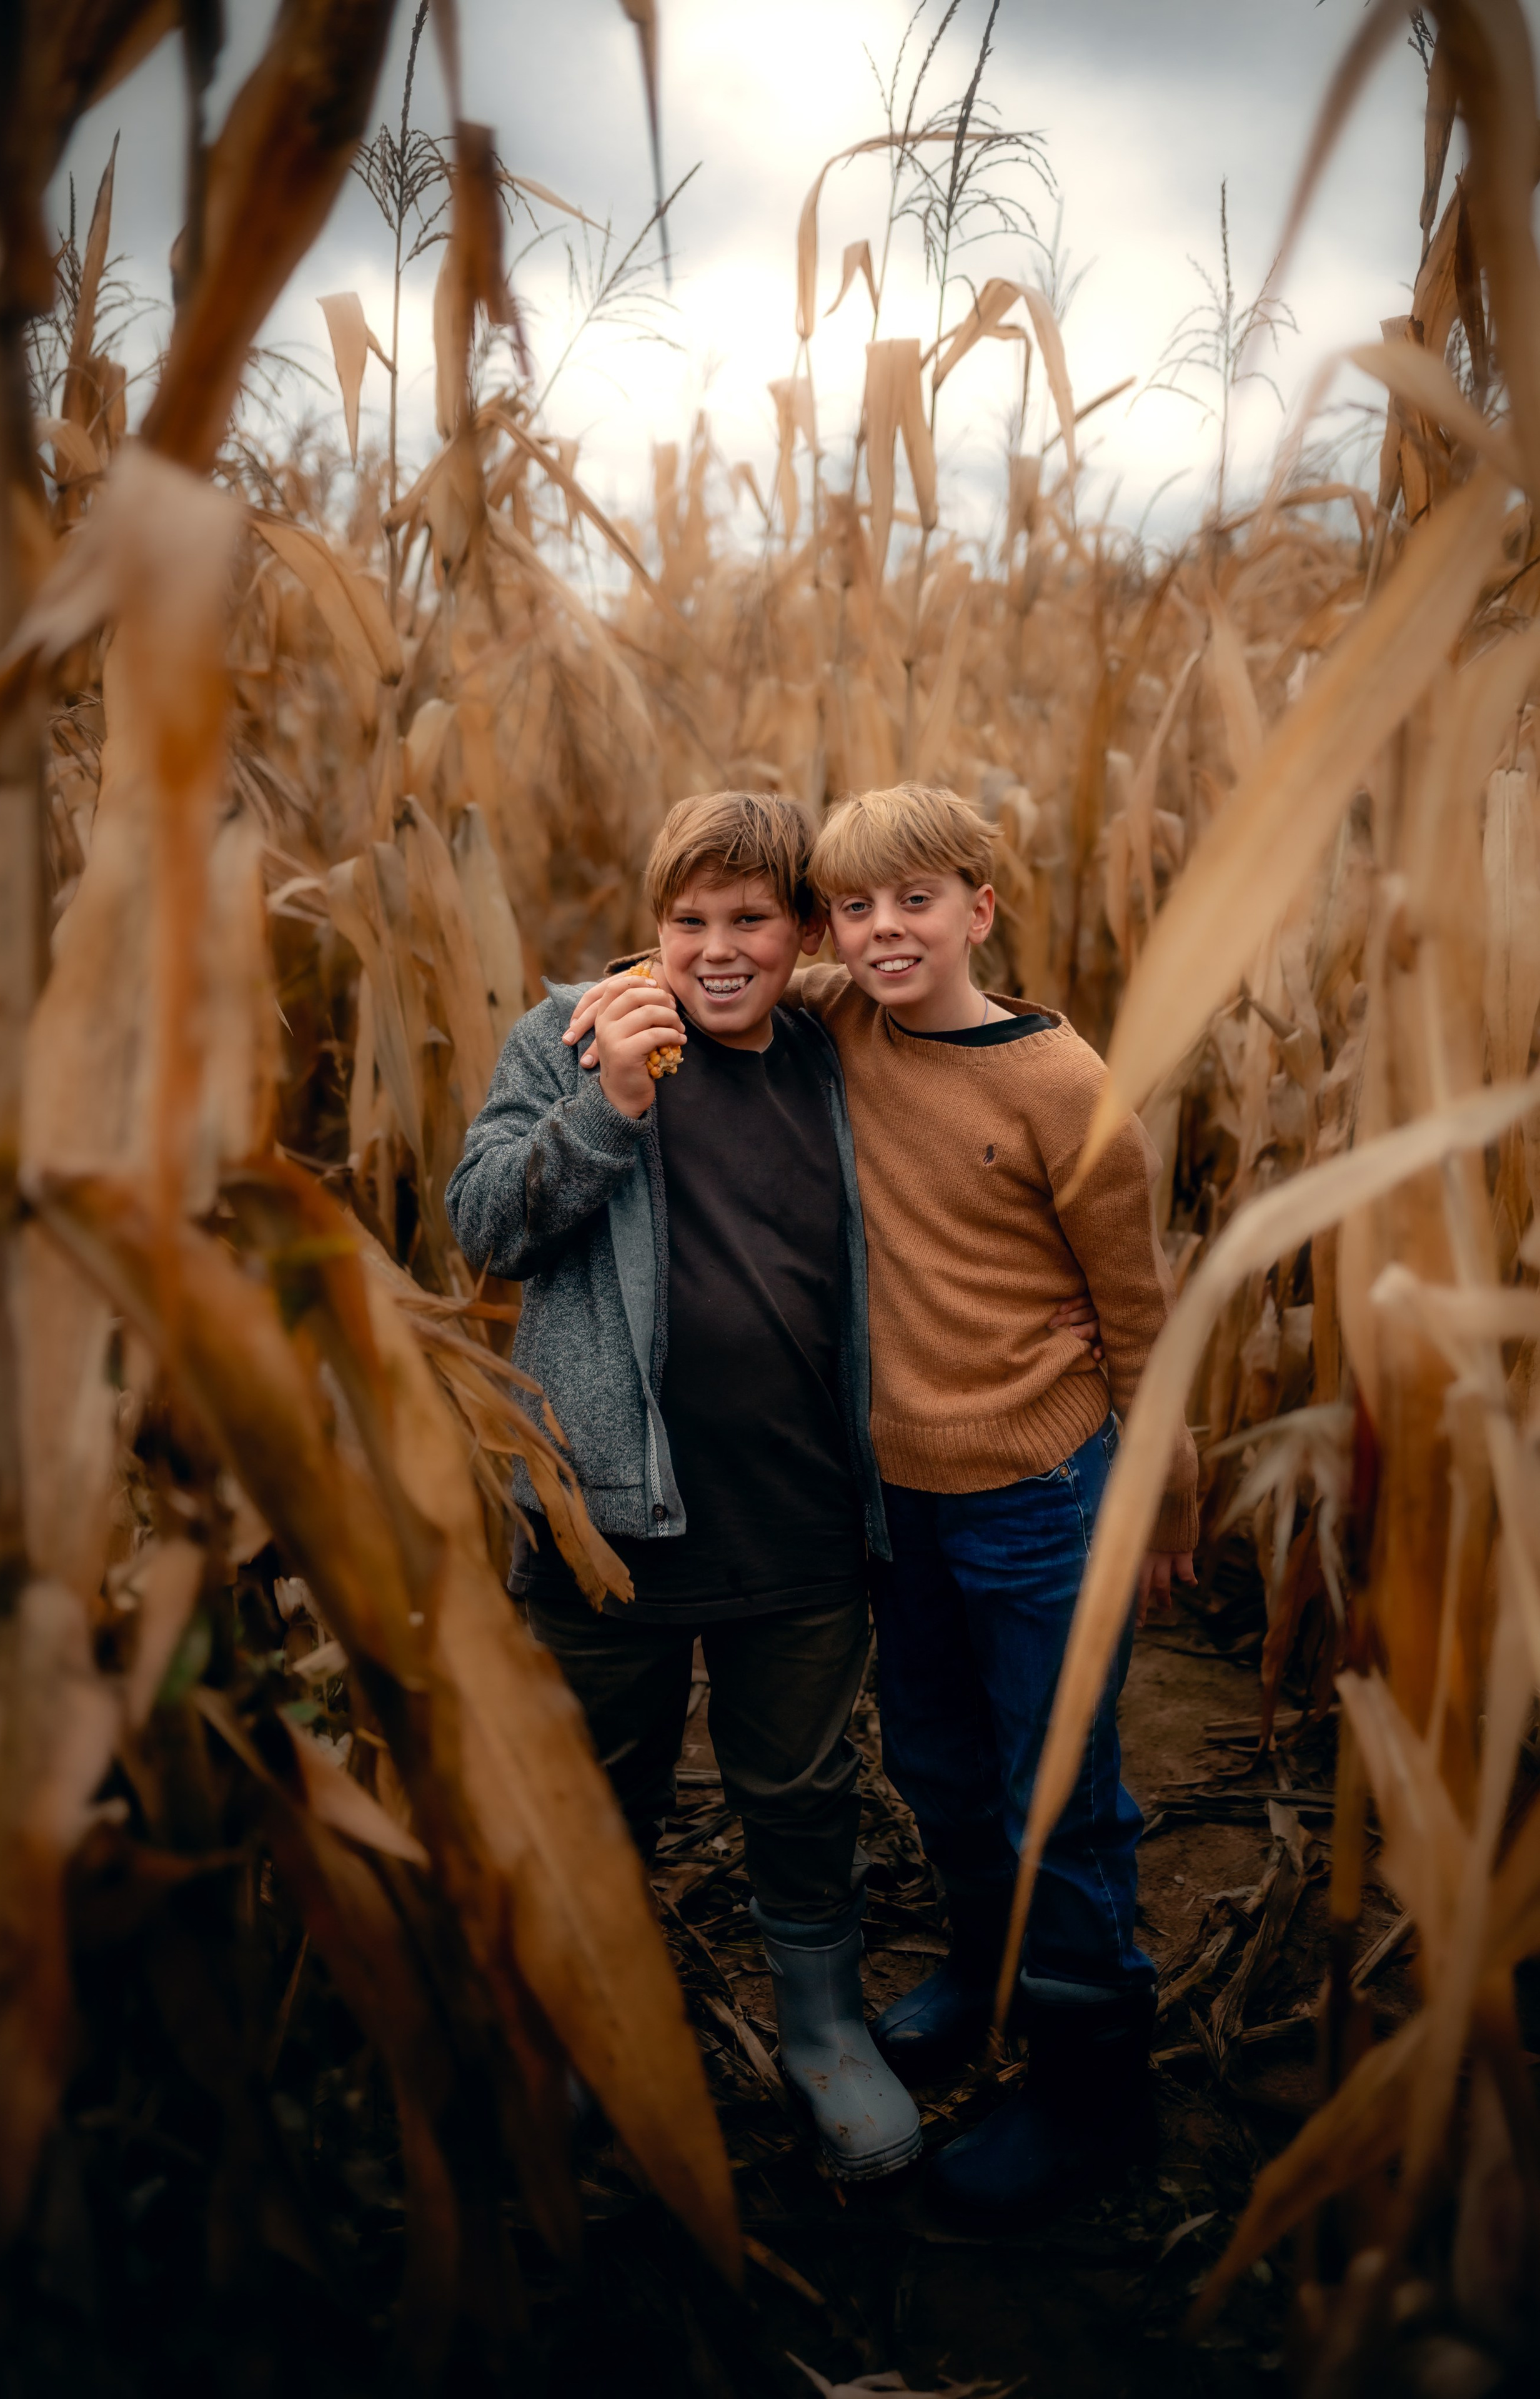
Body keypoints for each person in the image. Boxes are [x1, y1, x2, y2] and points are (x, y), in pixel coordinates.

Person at [565, 780, 1195, 2228]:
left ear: (980, 908)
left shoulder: (1063, 1087)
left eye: (915, 900)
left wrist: (1161, 1495)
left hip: (1037, 1487)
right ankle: (986, 1968)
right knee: (936, 1763)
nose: (882, 930)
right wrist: (615, 998)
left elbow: (1134, 1306)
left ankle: (1093, 2082)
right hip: (892, 1497)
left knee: (1054, 1787)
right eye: (852, 907)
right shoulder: (837, 1022)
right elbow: (711, 961)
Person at [445, 790, 922, 2179]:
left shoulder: (832, 1055)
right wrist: (609, 1105)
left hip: (798, 1507)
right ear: (653, 928)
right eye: (689, 921)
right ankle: (586, 2029)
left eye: (751, 921)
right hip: (609, 1519)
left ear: (804, 934)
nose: (718, 950)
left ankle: (822, 2032)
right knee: (597, 1791)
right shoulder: (568, 1037)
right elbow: (481, 1225)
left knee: (803, 1786)